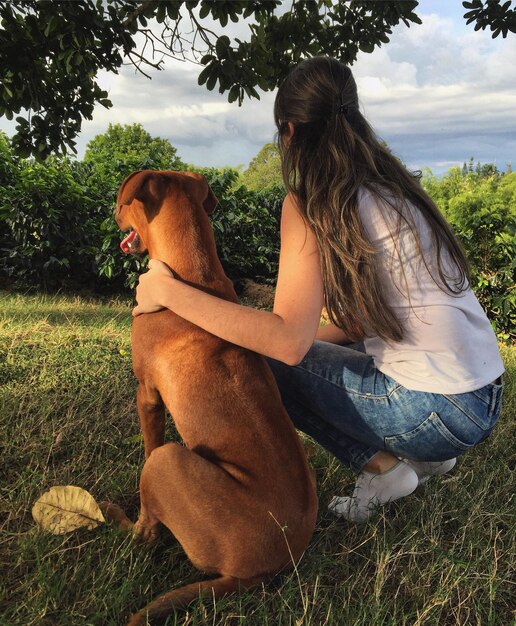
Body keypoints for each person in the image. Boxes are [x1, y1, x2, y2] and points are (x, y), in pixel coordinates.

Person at [132, 56, 504, 523]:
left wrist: (169, 293)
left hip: (434, 410)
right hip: (483, 397)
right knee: (291, 354)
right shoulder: (397, 188)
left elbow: (286, 343)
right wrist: (308, 352)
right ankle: (431, 454)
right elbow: (357, 324)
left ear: (288, 131)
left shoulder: (311, 202)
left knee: (262, 362)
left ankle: (385, 469)